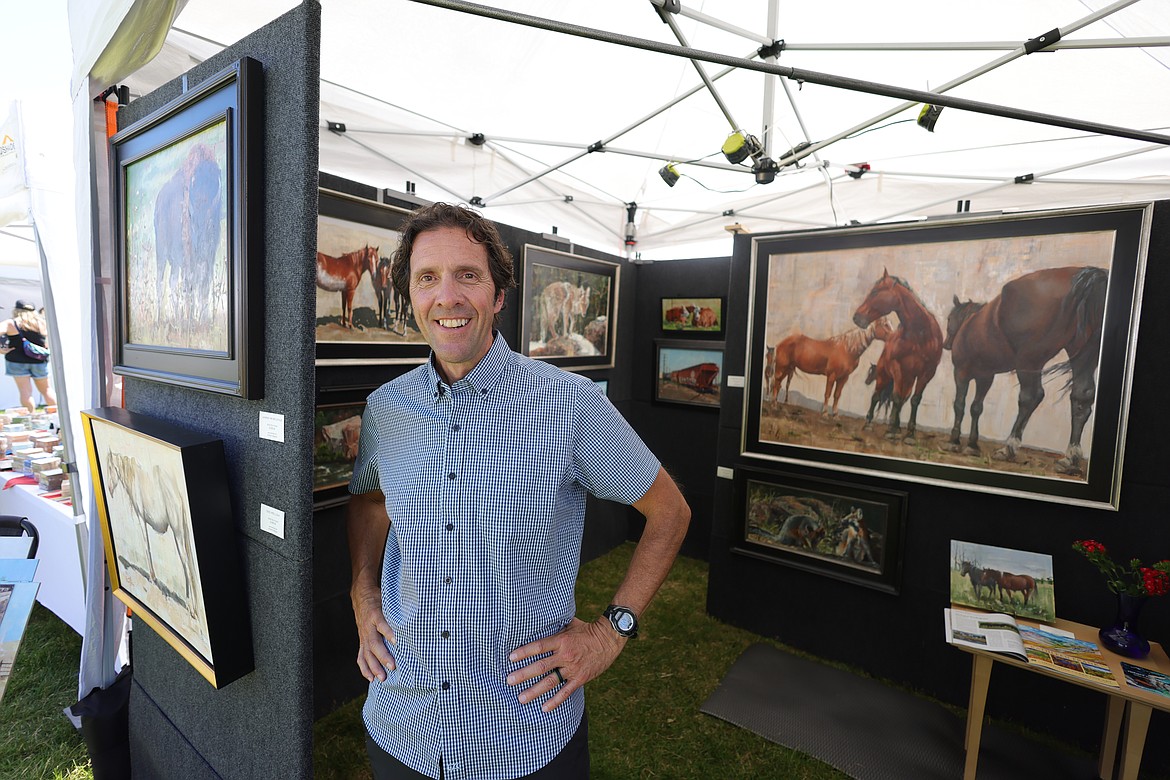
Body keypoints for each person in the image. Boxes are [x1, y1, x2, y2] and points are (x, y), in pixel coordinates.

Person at [348, 202, 691, 780]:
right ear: (410, 298)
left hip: (522, 737)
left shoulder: (568, 404)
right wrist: (362, 593)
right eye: (427, 278)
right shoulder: (387, 408)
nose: (448, 296)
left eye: (468, 275)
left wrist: (612, 633)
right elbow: (371, 501)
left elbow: (670, 512)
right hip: (401, 728)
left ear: (499, 296)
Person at [1, 300, 56, 414]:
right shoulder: (42, 322)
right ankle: (57, 417)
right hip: (39, 360)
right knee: (47, 390)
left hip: (16, 361)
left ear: (16, 310)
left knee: (25, 392)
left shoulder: (11, 323)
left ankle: (32, 417)